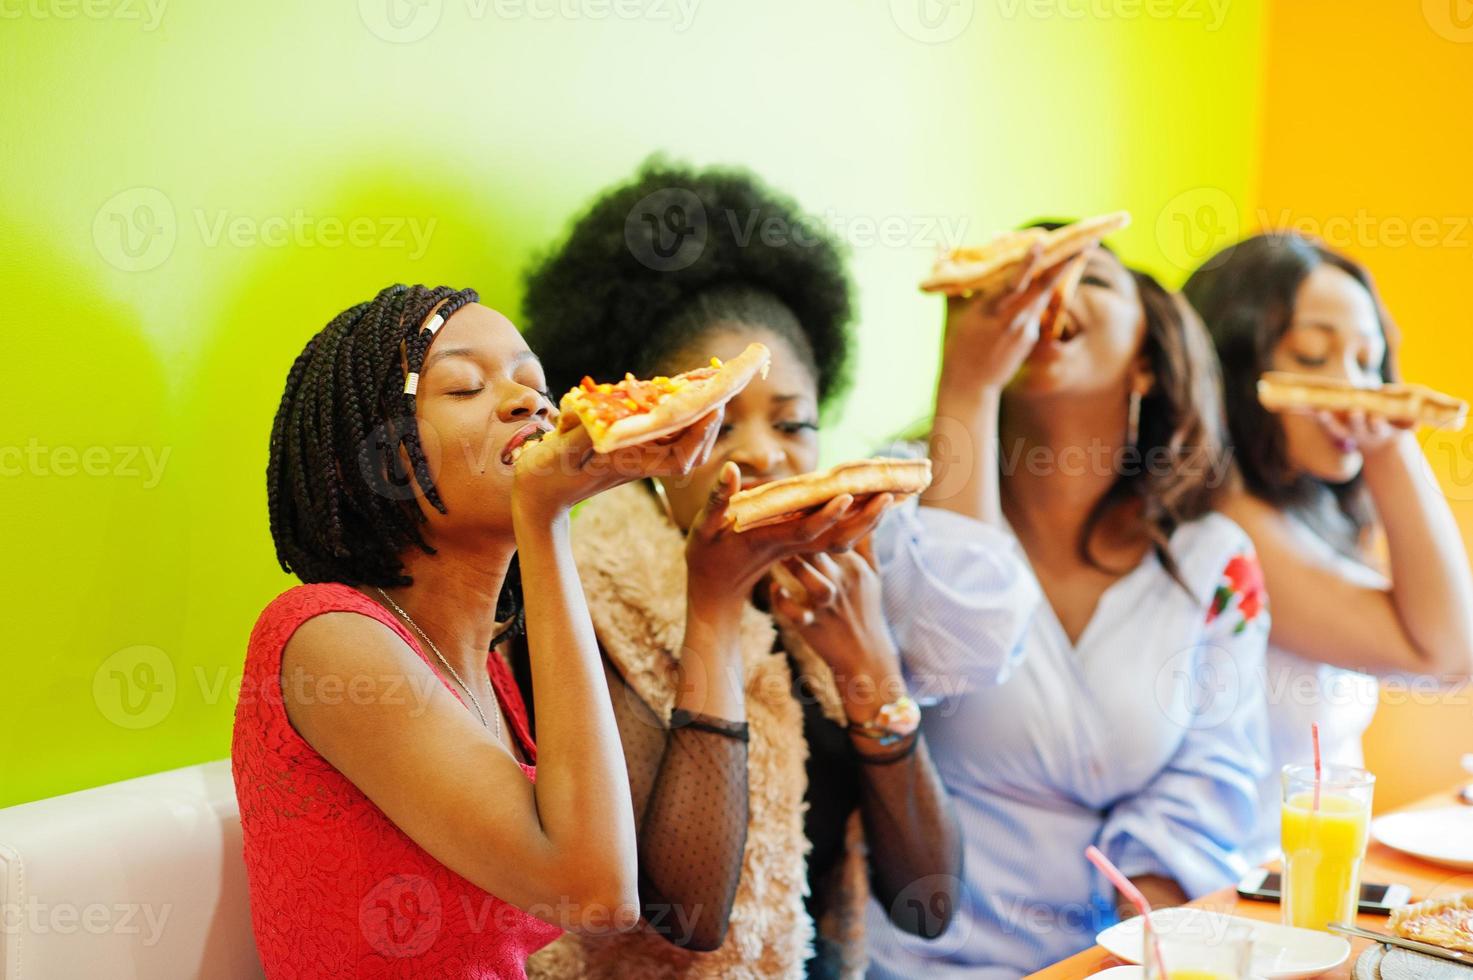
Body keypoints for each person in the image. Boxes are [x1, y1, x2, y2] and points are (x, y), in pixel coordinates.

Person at [519, 161, 1035, 978]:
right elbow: (685, 915)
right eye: (718, 426)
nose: (764, 453)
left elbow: (926, 903)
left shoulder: (830, 584)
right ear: (650, 439)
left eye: (792, 422)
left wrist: (866, 668)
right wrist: (713, 612)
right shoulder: (589, 596)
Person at [233, 284, 723, 977]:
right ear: (365, 458)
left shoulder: (488, 668)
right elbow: (595, 896)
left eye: (535, 384)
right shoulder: (324, 638)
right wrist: (547, 517)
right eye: (463, 388)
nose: (529, 404)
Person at [866, 232, 1271, 978]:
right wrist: (965, 385)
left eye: (1087, 277)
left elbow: (1211, 776)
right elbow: (954, 651)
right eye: (1020, 275)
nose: (1046, 286)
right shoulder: (890, 510)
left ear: (1146, 360)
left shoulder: (1211, 560)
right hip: (914, 959)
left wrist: (1124, 955)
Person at [1182, 233, 1473, 860]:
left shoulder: (1300, 511)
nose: (1353, 388)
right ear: (1231, 368)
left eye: (1368, 364)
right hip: (1240, 892)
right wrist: (1390, 446)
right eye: (1313, 357)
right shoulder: (1228, 525)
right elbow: (1449, 652)